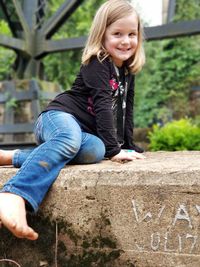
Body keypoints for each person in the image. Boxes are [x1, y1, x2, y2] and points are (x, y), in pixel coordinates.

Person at [0, 0, 146, 240]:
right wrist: (114, 149)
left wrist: (127, 144)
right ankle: (14, 194)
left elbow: (125, 109)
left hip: (81, 134)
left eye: (132, 34)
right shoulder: (97, 63)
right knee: (70, 139)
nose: (126, 41)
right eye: (117, 34)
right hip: (58, 118)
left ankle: (13, 156)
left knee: (94, 152)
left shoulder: (127, 71)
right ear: (102, 35)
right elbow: (103, 107)